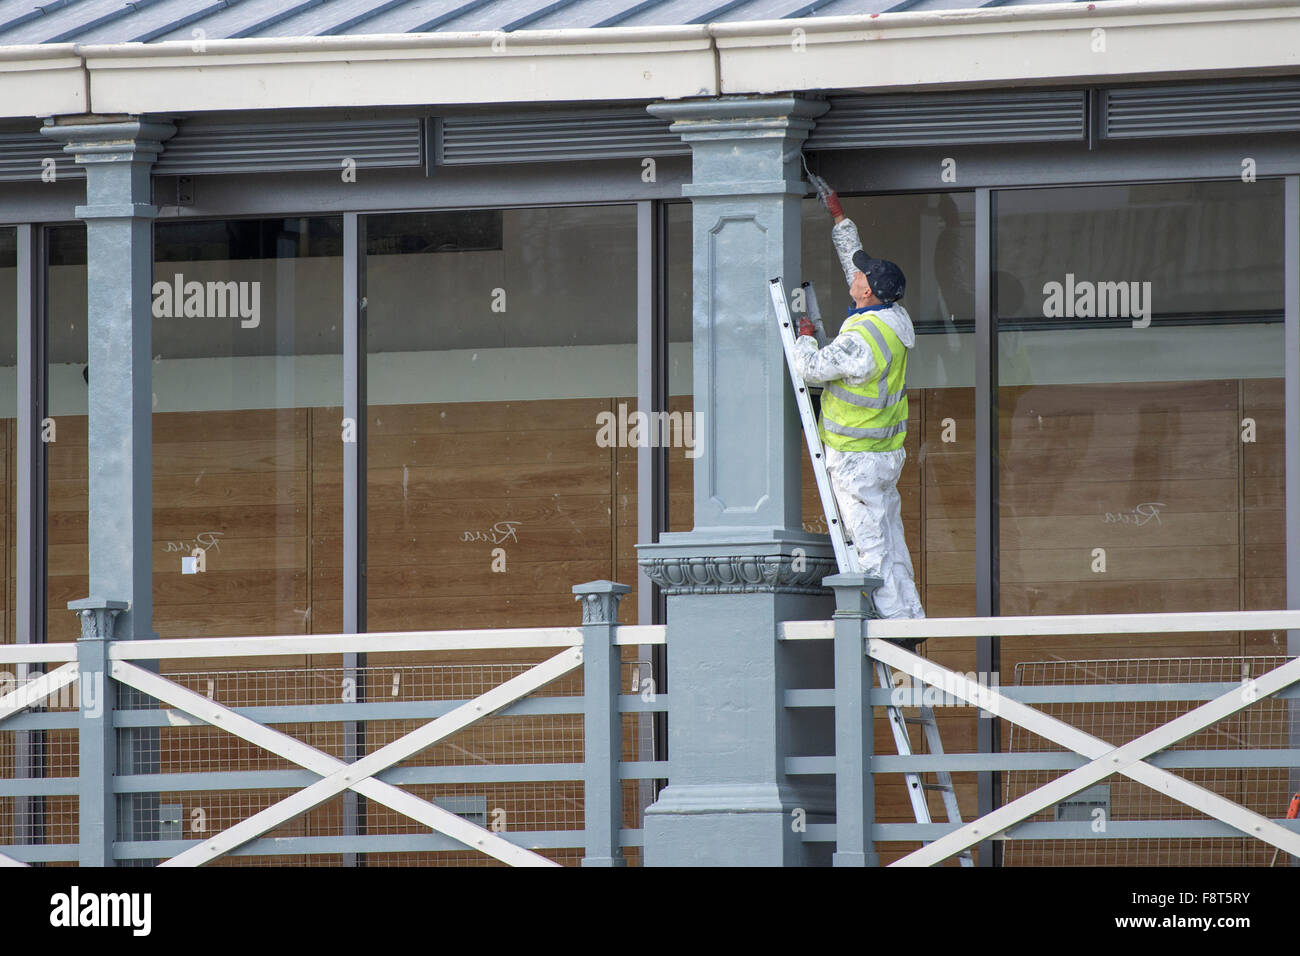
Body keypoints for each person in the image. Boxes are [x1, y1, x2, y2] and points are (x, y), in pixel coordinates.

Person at [791, 182, 925, 621]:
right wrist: (838, 218)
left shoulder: (861, 339)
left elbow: (810, 370)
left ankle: (891, 628)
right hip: (883, 457)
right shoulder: (892, 317)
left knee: (870, 548)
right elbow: (857, 263)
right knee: (891, 536)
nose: (856, 276)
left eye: (861, 277)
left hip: (855, 460)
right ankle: (910, 614)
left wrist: (806, 337)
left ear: (867, 292)